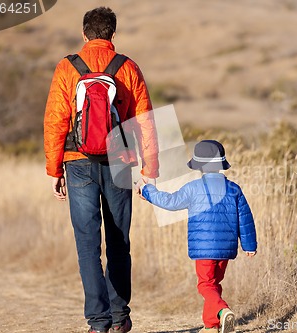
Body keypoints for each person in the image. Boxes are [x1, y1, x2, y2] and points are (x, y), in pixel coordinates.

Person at [44, 7, 158, 333]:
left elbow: (55, 122)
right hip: (120, 163)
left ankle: (98, 323)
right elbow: (145, 121)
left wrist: (54, 170)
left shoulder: (67, 68)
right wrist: (150, 167)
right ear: (113, 35)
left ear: (84, 34)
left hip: (76, 163)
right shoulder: (128, 68)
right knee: (119, 242)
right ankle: (121, 318)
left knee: (87, 246)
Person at [137, 140, 257, 333]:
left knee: (205, 285)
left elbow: (170, 201)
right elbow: (245, 218)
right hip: (226, 249)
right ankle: (210, 326)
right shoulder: (234, 189)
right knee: (214, 284)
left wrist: (147, 190)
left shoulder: (193, 188)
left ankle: (223, 310)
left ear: (199, 166)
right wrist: (249, 245)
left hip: (204, 249)